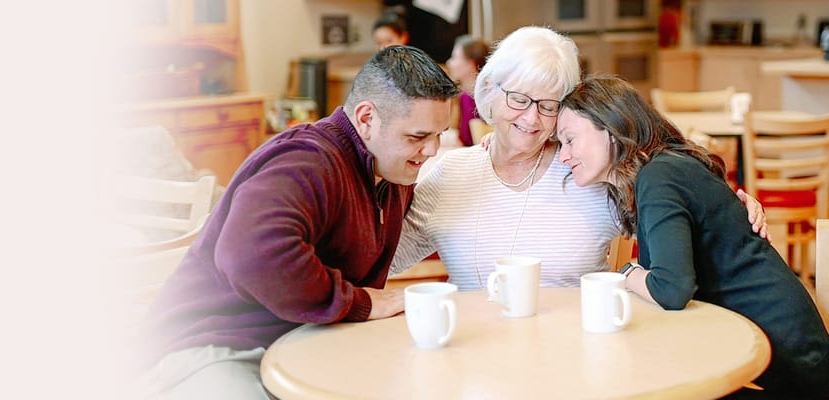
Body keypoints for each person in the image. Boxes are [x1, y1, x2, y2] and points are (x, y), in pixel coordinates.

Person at [138, 46, 460, 399]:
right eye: (417, 137)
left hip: (300, 341)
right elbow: (249, 256)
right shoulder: (307, 160)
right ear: (367, 118)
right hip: (214, 345)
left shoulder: (392, 173)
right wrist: (359, 303)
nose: (431, 150)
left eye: (439, 135)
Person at [389, 26, 767, 291]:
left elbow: (684, 220)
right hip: (472, 359)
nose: (531, 119)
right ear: (488, 88)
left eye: (549, 105)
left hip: (576, 356)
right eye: (519, 99)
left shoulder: (588, 173)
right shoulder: (451, 173)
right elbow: (383, 258)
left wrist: (729, 213)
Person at [556, 74, 829, 399]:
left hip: (786, 374)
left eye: (570, 140)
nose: (563, 156)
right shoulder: (665, 169)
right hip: (771, 355)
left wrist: (627, 273)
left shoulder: (659, 177)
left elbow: (671, 289)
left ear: (611, 127)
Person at [445, 35, 491, 146]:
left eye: (455, 57)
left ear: (470, 64)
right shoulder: (464, 96)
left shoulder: (488, 98)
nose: (449, 63)